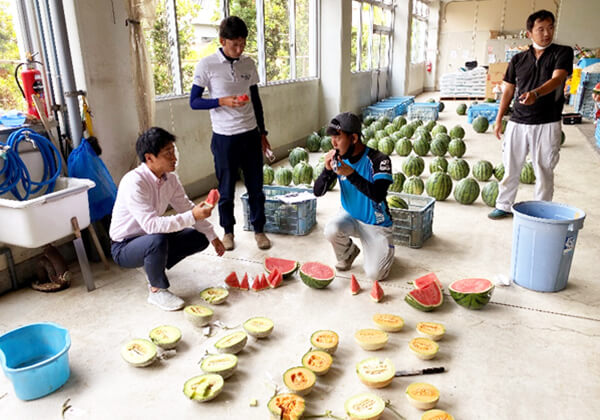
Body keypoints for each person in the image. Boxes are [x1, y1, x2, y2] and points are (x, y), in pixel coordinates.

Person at [110, 127, 225, 311]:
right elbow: (151, 225)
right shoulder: (134, 182)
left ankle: (152, 266)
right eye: (168, 153)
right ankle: (156, 290)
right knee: (157, 238)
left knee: (198, 238)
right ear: (149, 158)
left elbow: (187, 207)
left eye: (174, 150)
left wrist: (213, 236)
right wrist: (192, 215)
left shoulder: (170, 179)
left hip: (150, 239)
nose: (174, 157)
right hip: (124, 246)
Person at [190, 16, 271, 251]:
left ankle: (259, 230)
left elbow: (255, 99)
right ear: (222, 41)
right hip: (224, 138)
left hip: (250, 135)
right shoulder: (207, 65)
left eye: (243, 44)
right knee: (225, 190)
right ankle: (228, 232)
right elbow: (194, 102)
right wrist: (221, 101)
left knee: (256, 187)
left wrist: (262, 133)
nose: (239, 49)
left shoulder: (248, 63)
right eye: (234, 44)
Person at [489, 10, 573, 220]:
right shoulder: (518, 59)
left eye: (550, 28)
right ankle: (504, 204)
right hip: (518, 121)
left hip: (547, 121)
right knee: (510, 167)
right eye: (541, 29)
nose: (547, 33)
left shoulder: (562, 52)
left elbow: (557, 79)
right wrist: (499, 119)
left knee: (544, 170)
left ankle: (542, 210)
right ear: (529, 33)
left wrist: (536, 93)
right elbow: (508, 90)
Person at [314, 112, 395, 281]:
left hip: (376, 222)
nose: (333, 142)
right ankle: (349, 253)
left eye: (338, 137)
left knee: (375, 275)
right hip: (349, 215)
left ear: (354, 138)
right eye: (331, 137)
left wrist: (351, 174)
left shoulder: (379, 160)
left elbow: (378, 195)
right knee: (331, 230)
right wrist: (326, 171)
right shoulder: (339, 160)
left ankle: (386, 248)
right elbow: (318, 192)